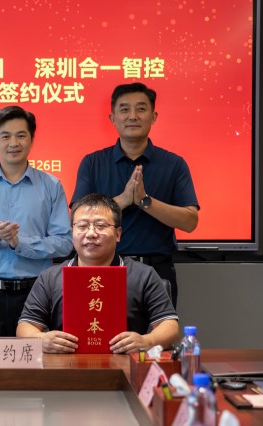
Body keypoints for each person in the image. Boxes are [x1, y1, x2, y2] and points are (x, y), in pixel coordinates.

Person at [71, 82, 199, 307]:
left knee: (159, 331)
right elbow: (77, 217)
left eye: (141, 109)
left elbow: (190, 222)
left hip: (157, 271)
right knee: (100, 329)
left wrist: (144, 201)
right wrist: (123, 200)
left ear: (153, 116)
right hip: (103, 268)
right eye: (124, 109)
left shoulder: (174, 164)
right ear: (113, 118)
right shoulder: (92, 163)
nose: (132, 116)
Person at [0, 106, 73, 337]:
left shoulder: (51, 185)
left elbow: (64, 243)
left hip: (37, 290)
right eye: (5, 136)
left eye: (21, 135)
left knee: (34, 355)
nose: (13, 143)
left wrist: (21, 244)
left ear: (32, 139)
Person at [17, 193, 179, 354]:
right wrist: (41, 339)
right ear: (72, 232)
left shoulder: (143, 275)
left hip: (126, 365)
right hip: (65, 366)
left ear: (118, 234)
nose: (91, 234)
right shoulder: (50, 277)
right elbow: (26, 326)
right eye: (82, 226)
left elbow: (169, 325)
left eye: (100, 226)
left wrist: (147, 341)